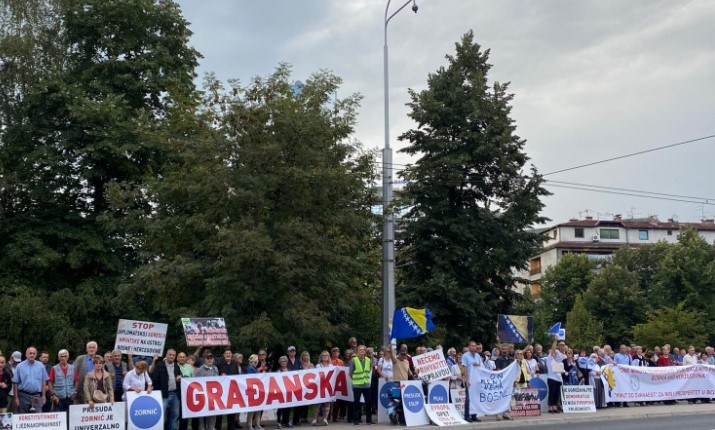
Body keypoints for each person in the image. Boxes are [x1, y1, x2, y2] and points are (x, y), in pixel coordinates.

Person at [12, 346, 49, 413]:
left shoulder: (41, 366)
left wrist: (43, 396)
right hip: (23, 396)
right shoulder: (20, 366)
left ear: (36, 355)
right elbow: (15, 383)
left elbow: (44, 381)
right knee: (22, 417)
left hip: (37, 396)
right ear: (26, 354)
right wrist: (16, 398)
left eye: (33, 353)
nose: (32, 355)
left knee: (38, 417)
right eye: (30, 353)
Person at [216, 348, 239, 430]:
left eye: (229, 353)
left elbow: (238, 377)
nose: (228, 354)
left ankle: (231, 427)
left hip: (231, 391)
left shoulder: (235, 364)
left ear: (232, 355)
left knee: (231, 412)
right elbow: (214, 378)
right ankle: (218, 427)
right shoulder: (219, 365)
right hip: (221, 392)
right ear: (224, 355)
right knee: (220, 412)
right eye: (226, 353)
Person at [195, 354, 219, 430]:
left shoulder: (215, 368)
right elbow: (195, 382)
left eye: (211, 358)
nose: (210, 360)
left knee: (213, 412)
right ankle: (202, 428)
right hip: (203, 395)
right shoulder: (200, 370)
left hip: (213, 395)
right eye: (208, 358)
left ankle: (211, 427)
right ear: (204, 359)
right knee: (202, 413)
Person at [348, 345, 372, 426]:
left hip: (366, 385)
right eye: (360, 350)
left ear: (365, 352)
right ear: (357, 352)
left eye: (363, 350)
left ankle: (369, 420)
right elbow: (350, 373)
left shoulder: (368, 360)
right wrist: (356, 379)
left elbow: (370, 370)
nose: (362, 351)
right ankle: (356, 420)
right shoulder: (354, 360)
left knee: (368, 403)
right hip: (357, 385)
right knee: (357, 403)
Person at [461, 340, 482, 422]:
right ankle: (466, 416)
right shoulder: (465, 356)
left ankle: (474, 415)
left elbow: (481, 366)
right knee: (468, 399)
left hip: (476, 380)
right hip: (469, 379)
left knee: (475, 398)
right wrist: (466, 380)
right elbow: (465, 368)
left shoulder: (477, 356)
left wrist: (478, 365)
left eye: (475, 345)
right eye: (472, 345)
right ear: (469, 347)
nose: (474, 347)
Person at [545, 336, 566, 413]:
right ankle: (550, 407)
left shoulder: (558, 359)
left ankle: (554, 406)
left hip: (558, 378)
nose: (554, 352)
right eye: (553, 351)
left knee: (556, 394)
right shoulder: (549, 358)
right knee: (552, 393)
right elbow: (553, 348)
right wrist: (555, 340)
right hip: (551, 378)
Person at [312, 351, 332, 426]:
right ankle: (314, 419)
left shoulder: (331, 365)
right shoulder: (318, 366)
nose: (325, 357)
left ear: (328, 357)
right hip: (319, 387)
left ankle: (325, 419)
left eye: (326, 355)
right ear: (321, 357)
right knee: (317, 404)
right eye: (323, 355)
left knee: (327, 405)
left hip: (328, 387)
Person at [245, 355, 263, 430]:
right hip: (252, 390)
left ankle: (257, 424)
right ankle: (250, 425)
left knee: (258, 409)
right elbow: (251, 378)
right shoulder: (250, 368)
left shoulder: (254, 368)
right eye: (257, 359)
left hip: (256, 390)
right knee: (252, 410)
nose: (257, 361)